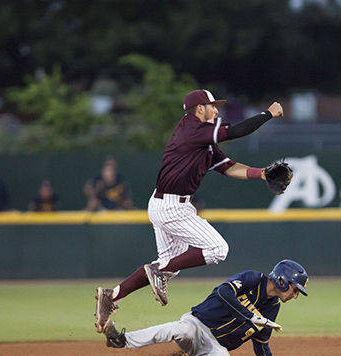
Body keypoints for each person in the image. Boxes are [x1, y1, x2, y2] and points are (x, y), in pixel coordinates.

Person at [94, 89, 285, 333]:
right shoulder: (193, 128)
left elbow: (228, 167)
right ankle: (158, 272)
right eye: (212, 106)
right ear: (199, 108)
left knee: (167, 264)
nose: (216, 110)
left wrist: (261, 173)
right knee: (218, 249)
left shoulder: (203, 138)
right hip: (172, 206)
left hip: (166, 203)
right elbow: (236, 131)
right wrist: (267, 114)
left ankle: (112, 297)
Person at [104, 259, 308, 356]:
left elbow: (261, 343)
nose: (295, 295)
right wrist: (250, 316)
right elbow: (223, 293)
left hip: (212, 347)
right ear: (282, 281)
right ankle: (121, 340)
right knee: (181, 329)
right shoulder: (252, 278)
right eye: (294, 288)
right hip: (197, 324)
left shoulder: (272, 308)